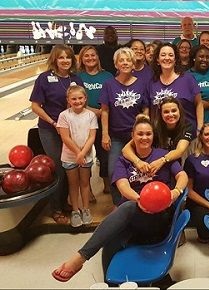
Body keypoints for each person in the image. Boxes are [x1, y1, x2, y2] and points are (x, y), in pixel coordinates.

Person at [51, 115, 188, 282]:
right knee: (111, 239)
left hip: (158, 217)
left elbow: (182, 175)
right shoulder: (123, 161)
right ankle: (110, 283)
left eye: (148, 134)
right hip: (134, 216)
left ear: (153, 136)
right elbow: (123, 187)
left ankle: (80, 257)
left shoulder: (162, 155)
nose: (144, 137)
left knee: (128, 207)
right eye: (140, 134)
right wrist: (140, 200)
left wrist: (176, 191)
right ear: (132, 135)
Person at [30, 44, 84, 224]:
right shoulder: (44, 78)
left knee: (71, 167)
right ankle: (56, 208)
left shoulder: (76, 79)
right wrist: (53, 122)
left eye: (68, 57)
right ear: (55, 59)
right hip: (50, 129)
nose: (65, 60)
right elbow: (35, 106)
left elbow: (81, 105)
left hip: (72, 130)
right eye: (61, 57)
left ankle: (67, 203)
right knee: (59, 168)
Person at [99, 47, 150, 206]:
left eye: (128, 60)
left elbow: (146, 107)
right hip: (116, 136)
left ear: (133, 64)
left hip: (137, 137)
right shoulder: (109, 84)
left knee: (138, 171)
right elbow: (105, 111)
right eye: (121, 60)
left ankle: (142, 201)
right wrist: (105, 134)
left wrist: (145, 117)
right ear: (116, 64)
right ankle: (118, 204)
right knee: (114, 170)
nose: (125, 63)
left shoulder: (142, 84)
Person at [57, 85, 98, 227]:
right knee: (73, 184)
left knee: (85, 183)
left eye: (80, 98)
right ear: (68, 100)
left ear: (85, 98)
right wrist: (77, 153)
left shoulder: (91, 115)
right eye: (73, 98)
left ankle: (86, 209)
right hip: (69, 157)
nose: (77, 101)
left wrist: (82, 154)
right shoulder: (64, 115)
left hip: (86, 156)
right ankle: (75, 210)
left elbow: (92, 137)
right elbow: (65, 137)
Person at [122, 97, 193, 177]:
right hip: (152, 167)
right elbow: (125, 150)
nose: (170, 114)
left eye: (174, 111)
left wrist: (162, 160)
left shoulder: (187, 126)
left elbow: (180, 151)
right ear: (161, 114)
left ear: (179, 111)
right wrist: (137, 162)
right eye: (166, 112)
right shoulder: (154, 127)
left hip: (173, 165)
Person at [77, 45, 114, 196]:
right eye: (86, 56)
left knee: (104, 154)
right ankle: (89, 189)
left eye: (93, 55)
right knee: (85, 155)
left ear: (98, 57)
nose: (90, 58)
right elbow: (75, 99)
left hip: (104, 120)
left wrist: (102, 112)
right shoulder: (78, 77)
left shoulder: (107, 76)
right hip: (83, 120)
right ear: (82, 59)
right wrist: (95, 111)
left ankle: (106, 184)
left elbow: (112, 98)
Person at [147, 42, 203, 137]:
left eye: (171, 55)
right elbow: (150, 110)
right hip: (161, 136)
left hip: (187, 134)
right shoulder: (152, 83)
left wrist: (200, 128)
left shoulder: (188, 79)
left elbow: (199, 104)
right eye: (163, 55)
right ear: (157, 60)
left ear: (175, 59)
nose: (167, 58)